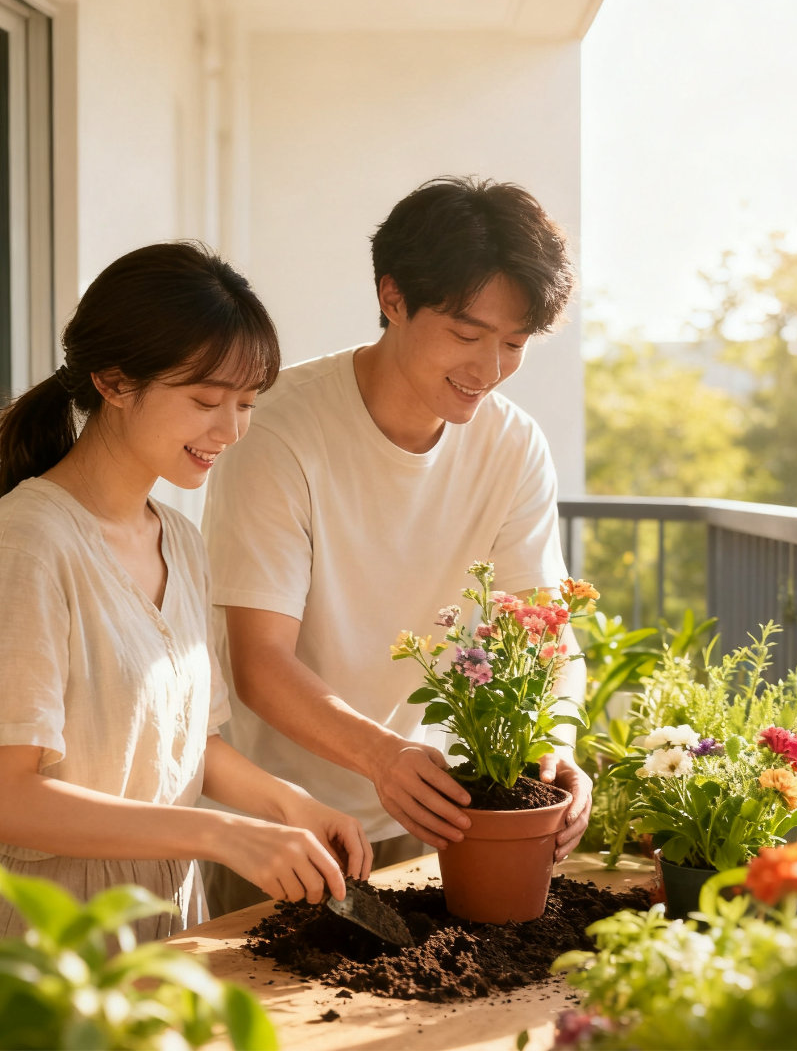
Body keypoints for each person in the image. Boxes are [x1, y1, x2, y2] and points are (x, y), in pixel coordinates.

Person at [0, 241, 370, 946]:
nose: (229, 431)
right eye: (204, 401)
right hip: (40, 934)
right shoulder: (30, 546)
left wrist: (290, 805)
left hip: (159, 924)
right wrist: (223, 834)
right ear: (114, 381)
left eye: (247, 404)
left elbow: (190, 744)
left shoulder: (180, 542)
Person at [201, 177, 592, 913]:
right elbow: (258, 663)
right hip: (285, 824)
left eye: (514, 344)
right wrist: (382, 756)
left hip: (436, 816)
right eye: (467, 334)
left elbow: (547, 635)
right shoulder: (280, 430)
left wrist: (558, 745)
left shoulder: (513, 447)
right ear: (393, 298)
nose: (489, 370)